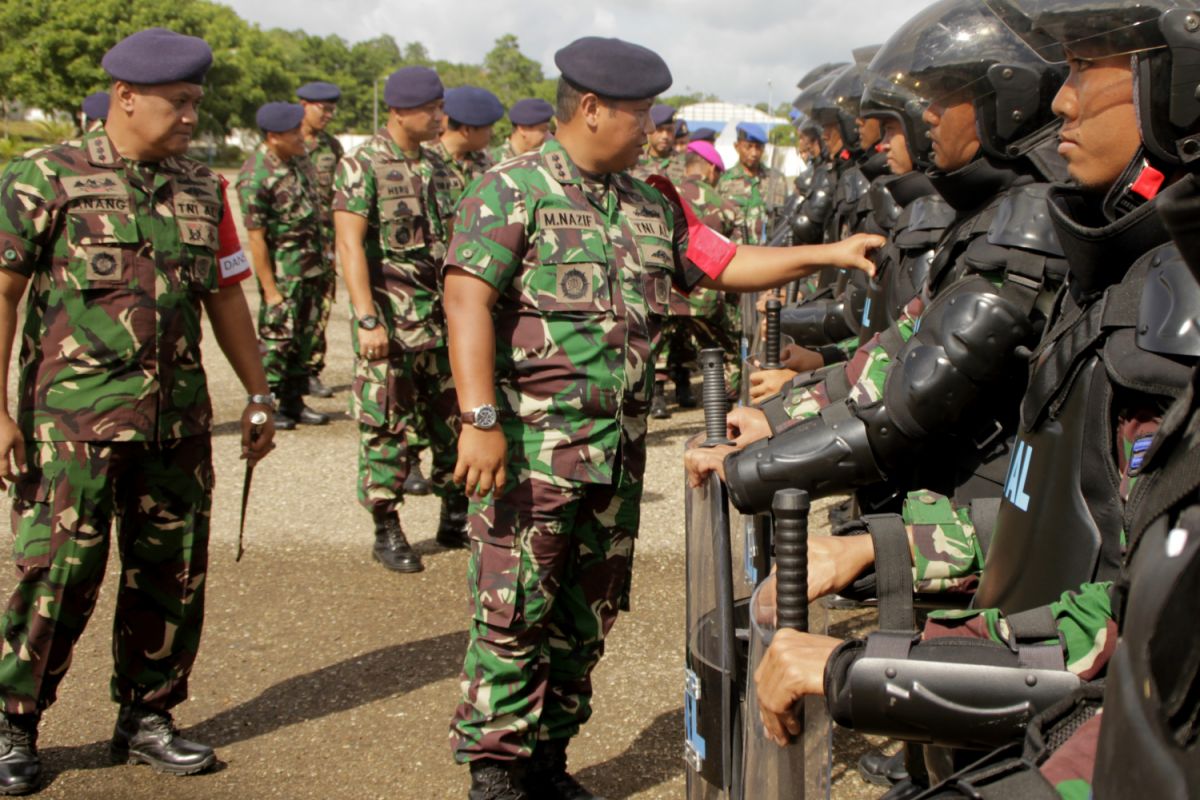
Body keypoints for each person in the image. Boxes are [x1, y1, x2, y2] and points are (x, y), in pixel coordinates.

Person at [753, 0, 1200, 794]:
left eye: (1090, 68)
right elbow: (1053, 512)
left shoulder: (1166, 325)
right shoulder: (1121, 278)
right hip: (1020, 714)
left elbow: (1145, 646)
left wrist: (868, 669)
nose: (1062, 98)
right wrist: (880, 547)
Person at [441, 34, 883, 800]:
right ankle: (498, 777)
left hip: (614, 456)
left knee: (587, 618)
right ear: (588, 108)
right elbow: (466, 297)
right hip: (533, 452)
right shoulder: (510, 189)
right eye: (639, 113)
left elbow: (725, 263)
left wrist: (832, 254)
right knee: (515, 617)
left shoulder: (651, 201)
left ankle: (546, 762)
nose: (651, 129)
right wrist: (478, 415)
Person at [0, 27, 275, 794]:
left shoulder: (200, 187)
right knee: (57, 574)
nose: (192, 116)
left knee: (172, 574)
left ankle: (147, 714)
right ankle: (13, 720)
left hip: (176, 424)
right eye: (179, 102)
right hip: (72, 427)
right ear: (126, 98)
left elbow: (226, 293)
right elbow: (3, 293)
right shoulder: (42, 177)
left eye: (196, 102)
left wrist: (257, 393)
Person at [333, 65, 467, 573]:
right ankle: (386, 527)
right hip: (390, 326)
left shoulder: (439, 165)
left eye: (440, 108)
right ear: (398, 112)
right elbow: (348, 243)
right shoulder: (361, 163)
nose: (440, 117)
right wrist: (367, 319)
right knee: (385, 427)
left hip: (439, 324)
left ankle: (454, 514)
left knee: (453, 423)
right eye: (430, 109)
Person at [236, 102, 331, 430]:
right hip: (284, 275)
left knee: (303, 340)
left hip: (311, 270)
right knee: (276, 341)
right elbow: (257, 238)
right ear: (274, 136)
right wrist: (270, 290)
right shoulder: (255, 174)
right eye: (294, 133)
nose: (300, 137)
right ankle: (268, 403)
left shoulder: (300, 161)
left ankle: (294, 401)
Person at [650, 141, 745, 418]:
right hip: (707, 297)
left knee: (659, 341)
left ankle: (656, 398)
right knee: (726, 348)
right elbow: (736, 258)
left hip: (664, 295)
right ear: (712, 170)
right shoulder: (727, 207)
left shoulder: (660, 198)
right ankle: (724, 405)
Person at [296, 80, 344, 400]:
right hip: (293, 240)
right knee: (289, 307)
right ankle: (283, 375)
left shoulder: (332, 146)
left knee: (321, 305)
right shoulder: (285, 141)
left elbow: (341, 194)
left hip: (324, 239)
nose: (328, 115)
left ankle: (311, 369)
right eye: (322, 109)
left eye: (331, 109)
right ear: (303, 106)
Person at [428, 86, 505, 205]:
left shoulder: (484, 162)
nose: (492, 133)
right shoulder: (427, 161)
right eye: (488, 127)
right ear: (467, 130)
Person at [718, 122, 787, 244]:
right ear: (737, 146)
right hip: (738, 254)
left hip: (770, 254)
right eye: (748, 147)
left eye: (758, 147)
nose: (754, 153)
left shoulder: (777, 180)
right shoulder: (723, 180)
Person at [630, 103, 685, 183]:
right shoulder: (634, 161)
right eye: (659, 130)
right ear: (650, 129)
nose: (665, 136)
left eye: (669, 130)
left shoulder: (684, 163)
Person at [491, 98, 554, 163]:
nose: (549, 137)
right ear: (522, 129)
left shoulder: (547, 157)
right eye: (543, 130)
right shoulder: (493, 162)